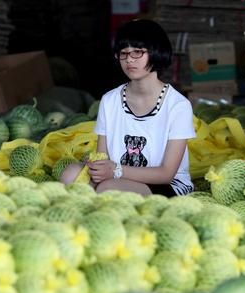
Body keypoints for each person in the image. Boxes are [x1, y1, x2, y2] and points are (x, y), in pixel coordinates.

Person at [60, 19, 195, 196]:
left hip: (166, 184)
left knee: (108, 189)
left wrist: (116, 170)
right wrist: (97, 166)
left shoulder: (178, 106)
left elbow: (166, 174)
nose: (129, 59)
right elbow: (103, 156)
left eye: (138, 52)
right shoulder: (109, 100)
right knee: (70, 174)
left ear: (156, 52)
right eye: (123, 53)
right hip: (115, 176)